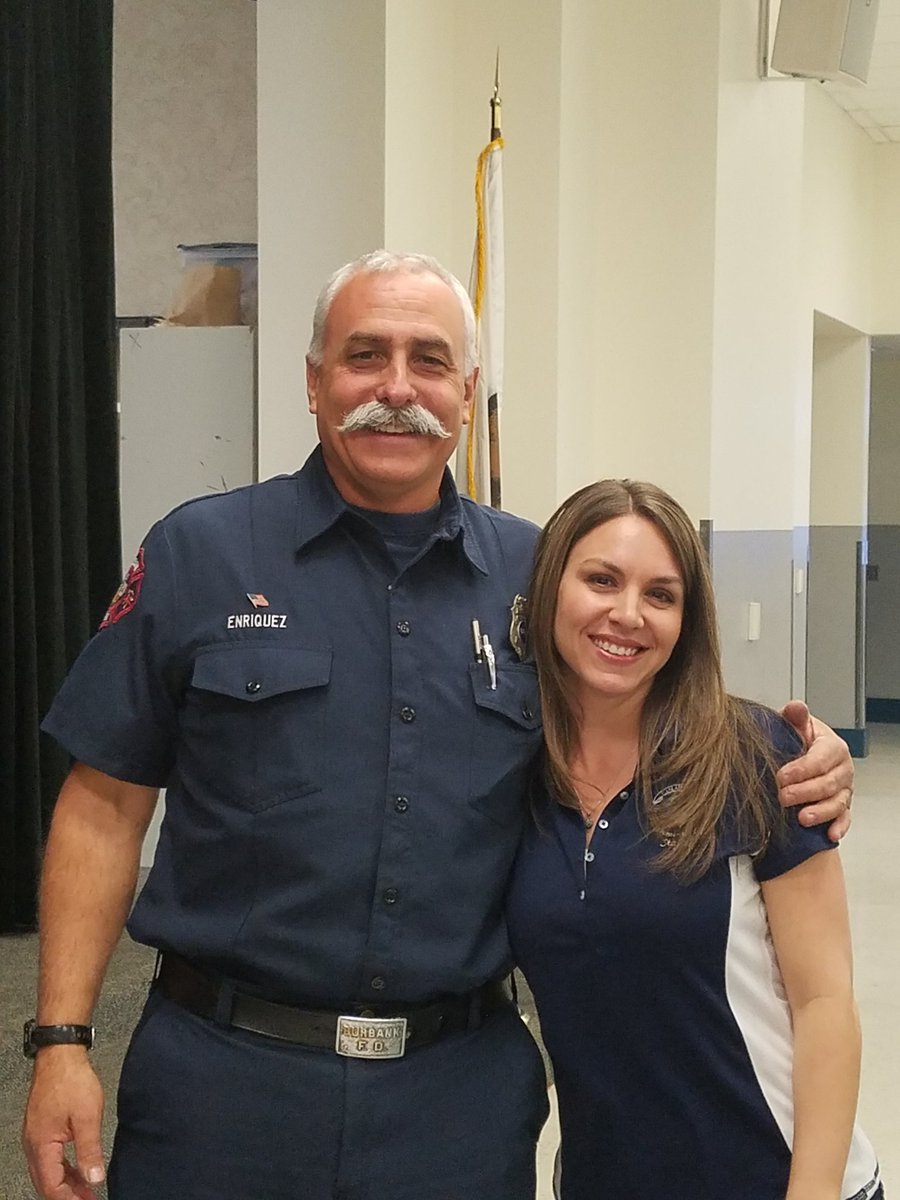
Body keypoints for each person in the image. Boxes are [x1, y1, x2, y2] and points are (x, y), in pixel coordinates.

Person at [23, 251, 853, 1200]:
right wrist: (60, 1042)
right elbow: (102, 805)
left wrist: (798, 755)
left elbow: (653, 707)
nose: (395, 388)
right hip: (223, 1086)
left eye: (428, 362)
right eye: (363, 355)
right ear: (312, 381)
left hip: (454, 1104)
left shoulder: (534, 575)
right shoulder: (200, 553)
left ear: (465, 392)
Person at [506, 479, 882, 1200]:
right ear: (553, 587)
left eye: (661, 594)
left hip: (773, 1177)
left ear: (688, 619)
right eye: (601, 580)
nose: (627, 614)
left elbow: (825, 1004)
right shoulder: (515, 771)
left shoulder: (753, 756)